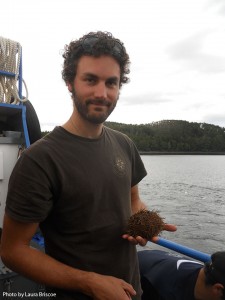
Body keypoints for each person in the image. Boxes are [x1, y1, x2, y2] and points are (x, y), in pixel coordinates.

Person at [0, 31, 176, 300]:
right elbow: (13, 251)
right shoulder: (40, 160)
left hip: (130, 292)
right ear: (70, 82)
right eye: (90, 80)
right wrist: (90, 283)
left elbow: (133, 201)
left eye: (111, 83)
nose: (102, 93)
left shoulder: (124, 144)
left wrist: (145, 225)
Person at [138, 249, 225, 300]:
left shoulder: (207, 273)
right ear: (217, 289)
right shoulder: (165, 293)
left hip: (155, 257)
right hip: (137, 273)